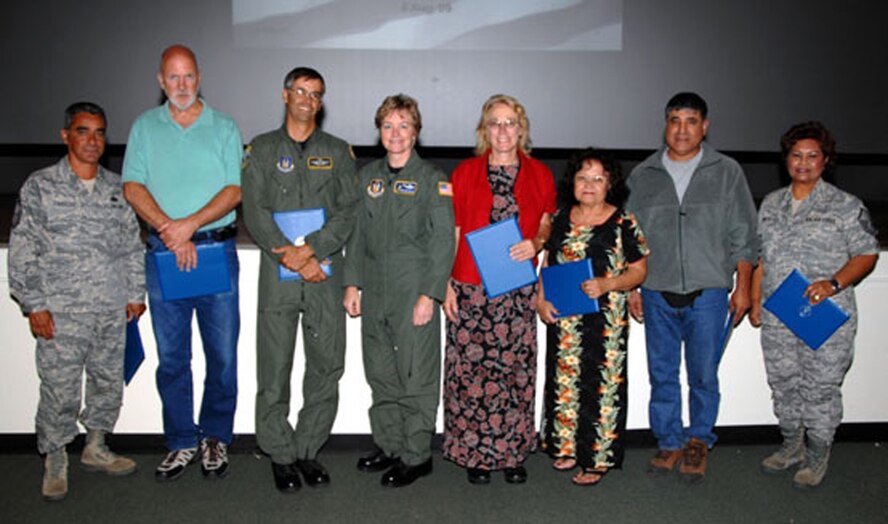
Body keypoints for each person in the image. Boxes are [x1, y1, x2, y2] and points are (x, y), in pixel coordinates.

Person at [8, 102, 145, 501]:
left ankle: (96, 447)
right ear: (66, 135)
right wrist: (34, 303)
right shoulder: (41, 186)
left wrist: (135, 294)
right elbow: (22, 249)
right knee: (59, 388)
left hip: (109, 306)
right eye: (83, 131)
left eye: (100, 132)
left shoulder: (117, 189)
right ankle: (55, 458)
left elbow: (130, 249)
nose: (92, 141)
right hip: (60, 311)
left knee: (106, 383)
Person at [122, 45, 243, 482]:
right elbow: (132, 186)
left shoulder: (224, 126)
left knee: (223, 356)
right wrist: (170, 231)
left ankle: (215, 437)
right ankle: (180, 441)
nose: (182, 86)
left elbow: (235, 190)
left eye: (188, 76)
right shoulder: (144, 127)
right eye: (173, 78)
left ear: (199, 77)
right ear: (160, 81)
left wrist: (188, 225)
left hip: (215, 253)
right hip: (163, 255)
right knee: (173, 358)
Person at [625, 92, 758, 483]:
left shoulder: (726, 171)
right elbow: (630, 239)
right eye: (674, 120)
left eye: (691, 121)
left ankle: (699, 440)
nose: (682, 129)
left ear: (705, 126)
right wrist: (632, 288)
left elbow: (744, 235)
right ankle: (669, 442)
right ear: (665, 124)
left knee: (703, 375)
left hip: (710, 293)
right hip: (655, 292)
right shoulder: (643, 174)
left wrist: (744, 288)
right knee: (662, 374)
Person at [240, 66, 357, 493]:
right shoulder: (262, 149)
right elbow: (254, 210)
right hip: (279, 274)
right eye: (301, 91)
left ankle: (307, 449)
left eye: (316, 94)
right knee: (274, 367)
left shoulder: (339, 152)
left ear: (321, 102)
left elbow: (348, 210)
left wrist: (314, 250)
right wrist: (292, 255)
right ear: (285, 95)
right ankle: (280, 453)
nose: (308, 100)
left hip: (325, 273)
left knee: (326, 365)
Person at [749, 121, 878, 489]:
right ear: (786, 159)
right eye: (796, 155)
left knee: (820, 387)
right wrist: (757, 299)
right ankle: (792, 446)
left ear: (826, 161)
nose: (803, 163)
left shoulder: (844, 205)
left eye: (812, 156)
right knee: (783, 383)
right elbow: (762, 258)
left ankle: (818, 454)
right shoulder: (772, 204)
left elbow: (867, 254)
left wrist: (833, 282)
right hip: (779, 314)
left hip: (825, 316)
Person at [442, 94, 556, 485]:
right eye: (495, 122)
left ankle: (511, 454)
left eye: (510, 122)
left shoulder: (540, 174)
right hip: (471, 288)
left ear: (521, 129)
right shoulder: (464, 173)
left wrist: (537, 243)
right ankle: (474, 454)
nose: (503, 130)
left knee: (514, 374)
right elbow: (452, 233)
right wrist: (446, 284)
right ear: (484, 129)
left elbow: (546, 222)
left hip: (516, 292)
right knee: (469, 374)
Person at [343, 94, 455, 487]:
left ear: (416, 131)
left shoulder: (433, 180)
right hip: (374, 288)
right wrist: (351, 282)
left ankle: (415, 454)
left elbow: (444, 243)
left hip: (413, 289)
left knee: (416, 375)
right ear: (379, 131)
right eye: (388, 125)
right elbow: (356, 235)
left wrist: (431, 294)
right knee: (381, 372)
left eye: (403, 125)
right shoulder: (367, 177)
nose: (395, 133)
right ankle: (389, 444)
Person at [537, 148, 648, 486]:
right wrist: (541, 301)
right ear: (572, 182)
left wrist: (609, 283)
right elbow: (546, 265)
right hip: (565, 321)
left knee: (601, 387)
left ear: (609, 184)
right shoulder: (557, 218)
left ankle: (597, 459)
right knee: (564, 384)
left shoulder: (624, 221)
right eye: (583, 177)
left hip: (606, 323)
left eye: (598, 179)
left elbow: (640, 271)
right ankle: (566, 447)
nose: (589, 184)